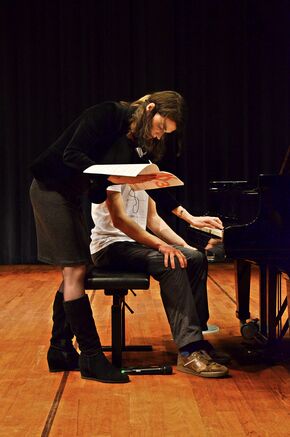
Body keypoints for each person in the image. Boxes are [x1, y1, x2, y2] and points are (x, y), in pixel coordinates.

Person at [29, 90, 223, 384]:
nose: (158, 136)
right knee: (76, 269)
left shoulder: (131, 143)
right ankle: (92, 357)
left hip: (70, 194)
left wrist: (189, 217)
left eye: (164, 133)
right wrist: (114, 178)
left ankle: (59, 349)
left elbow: (154, 186)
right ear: (150, 109)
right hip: (50, 189)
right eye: (160, 128)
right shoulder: (107, 114)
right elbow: (71, 155)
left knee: (79, 266)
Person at [90, 184, 229, 378]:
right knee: (170, 261)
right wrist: (164, 246)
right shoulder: (112, 171)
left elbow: (154, 220)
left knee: (195, 258)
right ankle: (189, 350)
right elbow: (120, 220)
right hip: (109, 247)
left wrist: (185, 247)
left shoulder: (144, 171)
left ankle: (198, 341)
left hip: (137, 244)